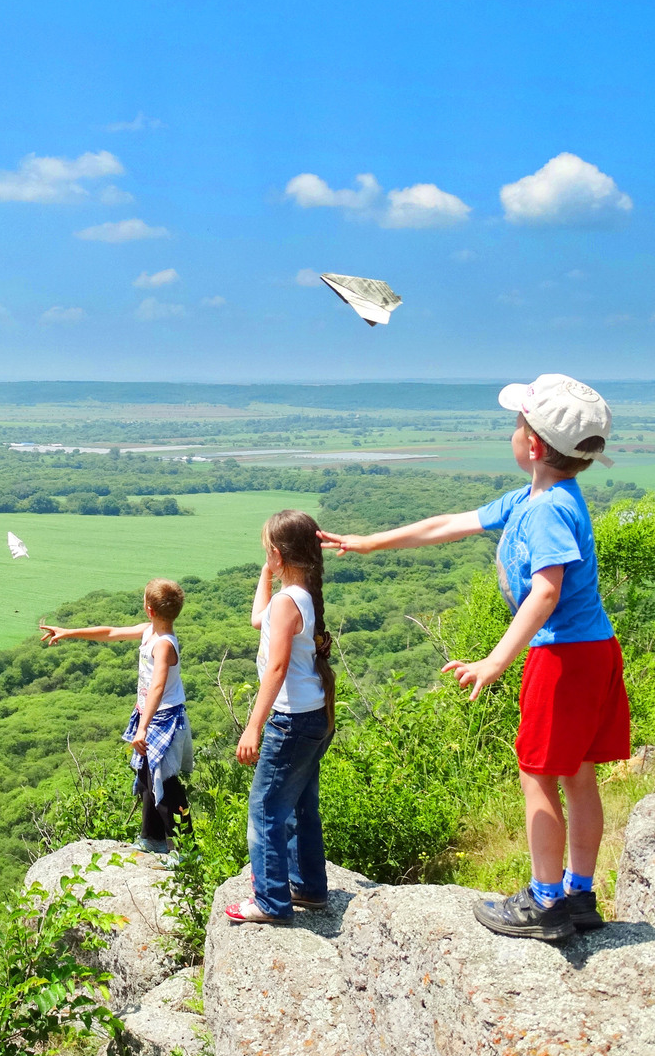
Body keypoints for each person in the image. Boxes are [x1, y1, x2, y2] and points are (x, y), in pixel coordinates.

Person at [319, 374, 627, 941]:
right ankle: (580, 894)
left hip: (563, 658)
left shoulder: (544, 511)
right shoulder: (540, 497)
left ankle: (545, 902)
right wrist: (367, 542)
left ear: (532, 444)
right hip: (595, 650)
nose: (513, 431)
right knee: (579, 774)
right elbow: (449, 525)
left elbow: (546, 590)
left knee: (537, 773)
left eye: (518, 423)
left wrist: (495, 660)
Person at [225, 510, 339, 925]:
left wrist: (253, 726)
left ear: (277, 552)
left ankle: (271, 902)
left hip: (289, 721)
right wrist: (267, 574)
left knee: (266, 810)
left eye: (267, 553)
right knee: (302, 806)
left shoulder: (289, 602)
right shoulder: (299, 596)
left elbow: (276, 668)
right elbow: (259, 619)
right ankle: (308, 887)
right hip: (315, 717)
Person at [40, 578, 193, 856]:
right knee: (148, 776)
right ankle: (152, 839)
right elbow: (110, 632)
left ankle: (186, 849)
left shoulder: (164, 645)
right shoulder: (150, 632)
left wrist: (142, 728)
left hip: (163, 718)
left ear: (148, 609)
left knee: (166, 782)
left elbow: (158, 686)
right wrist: (68, 632)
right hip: (151, 714)